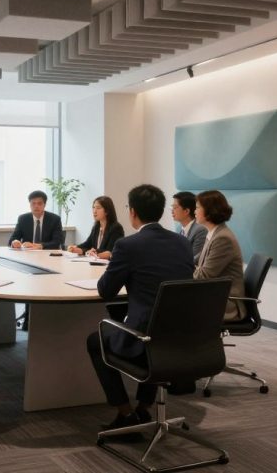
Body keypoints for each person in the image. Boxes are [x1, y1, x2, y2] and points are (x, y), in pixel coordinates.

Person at [86, 184, 195, 431]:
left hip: (145, 339)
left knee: (96, 341)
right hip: (184, 338)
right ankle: (143, 409)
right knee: (157, 326)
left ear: (133, 212)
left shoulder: (127, 245)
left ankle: (124, 413)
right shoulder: (182, 243)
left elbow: (105, 291)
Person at [194, 190, 246, 322]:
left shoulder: (222, 238)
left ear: (210, 211)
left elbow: (203, 276)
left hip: (225, 303)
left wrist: (183, 267)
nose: (194, 211)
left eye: (198, 207)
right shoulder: (214, 234)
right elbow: (195, 263)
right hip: (215, 296)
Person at [171, 191, 208, 262]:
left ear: (186, 211)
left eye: (175, 207)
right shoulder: (181, 229)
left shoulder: (200, 230)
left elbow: (194, 259)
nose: (172, 211)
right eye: (172, 207)